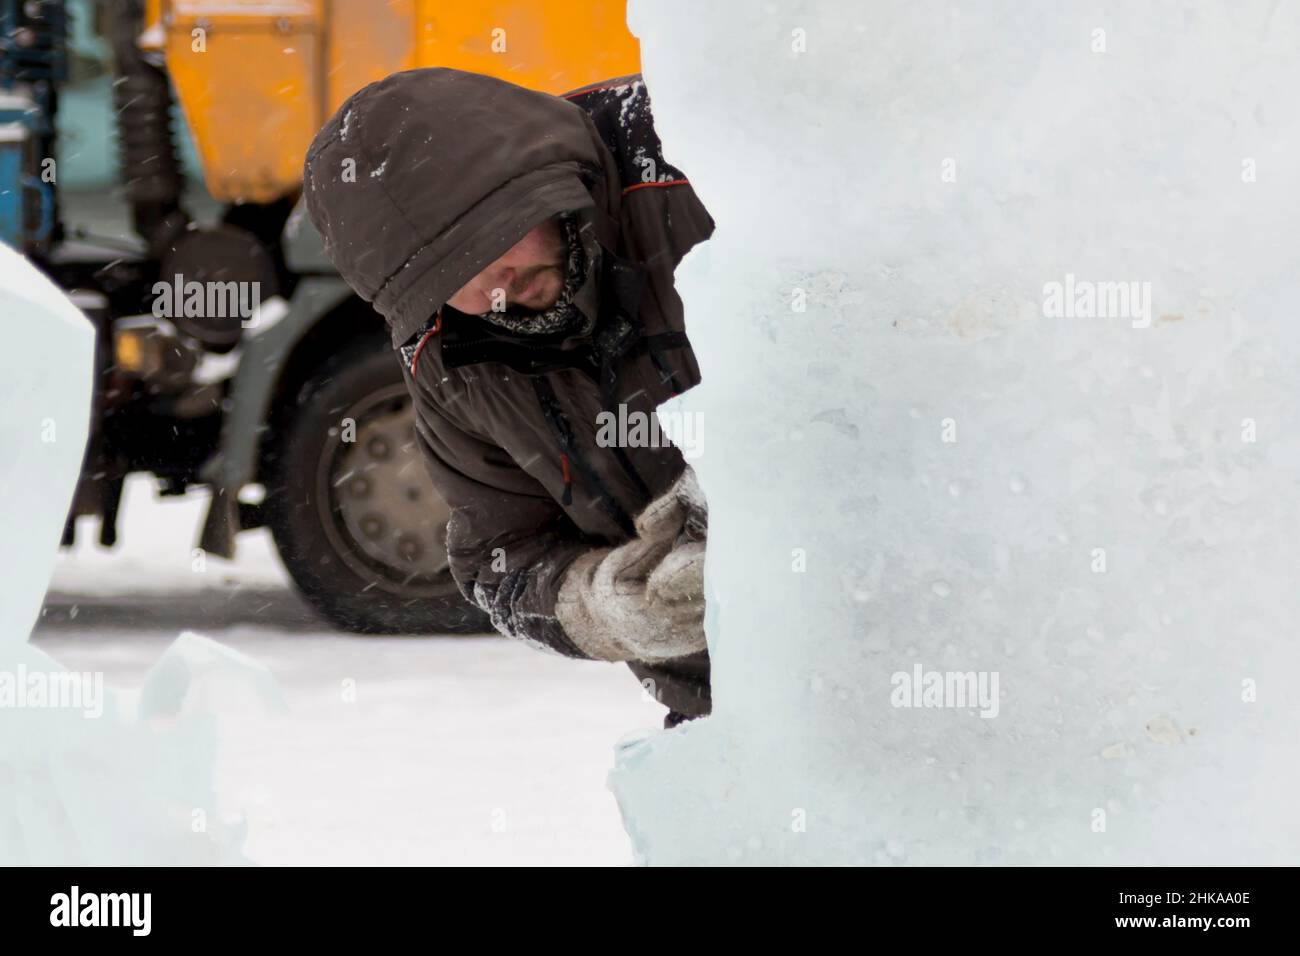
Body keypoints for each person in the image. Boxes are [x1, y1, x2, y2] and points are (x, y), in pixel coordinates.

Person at [302, 68, 714, 727]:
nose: (494, 285)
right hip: (724, 706)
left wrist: (729, 500)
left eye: (496, 238)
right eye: (449, 276)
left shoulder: (694, 172)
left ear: (544, 187)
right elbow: (502, 564)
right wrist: (605, 604)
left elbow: (897, 351)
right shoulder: (450, 361)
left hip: (900, 626)